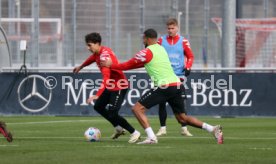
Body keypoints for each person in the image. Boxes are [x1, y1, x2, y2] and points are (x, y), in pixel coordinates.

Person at [101, 28, 223, 144]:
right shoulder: (161, 48)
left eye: (143, 39)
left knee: (137, 109)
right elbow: (140, 64)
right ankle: (212, 129)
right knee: (182, 118)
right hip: (177, 85)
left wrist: (111, 65)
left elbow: (128, 65)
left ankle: (151, 138)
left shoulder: (146, 51)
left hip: (164, 86)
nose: (143, 41)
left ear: (147, 39)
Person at [73, 32, 140, 143]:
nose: (88, 48)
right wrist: (81, 66)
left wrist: (97, 94)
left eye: (90, 45)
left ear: (97, 43)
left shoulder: (104, 57)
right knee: (98, 106)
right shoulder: (99, 52)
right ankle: (118, 128)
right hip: (111, 86)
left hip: (119, 85)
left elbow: (106, 78)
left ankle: (134, 132)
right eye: (87, 45)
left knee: (113, 112)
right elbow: (91, 58)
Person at [156, 18, 194, 137]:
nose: (170, 30)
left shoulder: (183, 41)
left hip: (178, 76)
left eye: (172, 28)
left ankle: (184, 128)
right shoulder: (161, 40)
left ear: (177, 28)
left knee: (180, 103)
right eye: (169, 28)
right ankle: (163, 128)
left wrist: (188, 67)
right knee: (161, 102)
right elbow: (154, 53)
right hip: (164, 75)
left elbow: (190, 56)